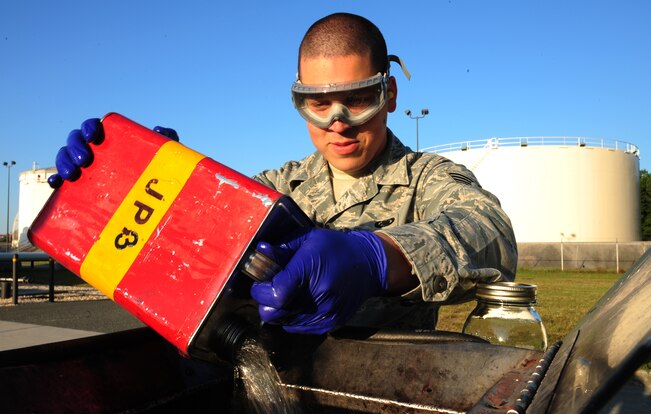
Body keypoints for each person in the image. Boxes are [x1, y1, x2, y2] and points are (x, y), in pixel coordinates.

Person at [49, 13, 517, 335]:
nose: (338, 121)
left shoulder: (426, 179)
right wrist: (124, 183)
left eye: (357, 100)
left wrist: (377, 256)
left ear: (389, 94)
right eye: (318, 104)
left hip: (388, 397)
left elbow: (492, 232)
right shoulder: (272, 190)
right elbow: (184, 245)